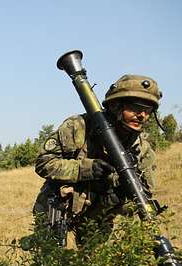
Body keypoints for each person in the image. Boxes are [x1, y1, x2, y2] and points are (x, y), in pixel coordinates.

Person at [32, 74, 162, 243]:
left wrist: (118, 199)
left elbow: (142, 199)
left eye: (148, 110)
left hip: (99, 216)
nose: (142, 115)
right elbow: (44, 163)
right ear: (116, 106)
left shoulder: (142, 151)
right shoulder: (79, 127)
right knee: (49, 263)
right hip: (58, 208)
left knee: (94, 264)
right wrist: (85, 169)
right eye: (135, 108)